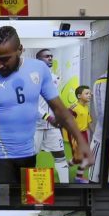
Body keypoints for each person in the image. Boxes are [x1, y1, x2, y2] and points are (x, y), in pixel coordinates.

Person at [0, 26, 92, 184]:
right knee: (1, 207)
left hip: (28, 154)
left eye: (5, 59)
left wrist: (80, 141)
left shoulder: (39, 70)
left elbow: (59, 109)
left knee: (27, 205)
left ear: (20, 50)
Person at [32, 49, 71, 183]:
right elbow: (31, 103)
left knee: (60, 154)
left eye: (51, 56)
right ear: (38, 60)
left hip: (53, 126)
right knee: (30, 157)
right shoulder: (31, 79)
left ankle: (65, 185)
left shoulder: (55, 78)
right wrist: (46, 116)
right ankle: (31, 188)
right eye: (46, 56)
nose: (50, 58)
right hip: (34, 126)